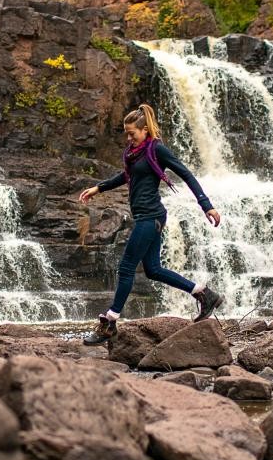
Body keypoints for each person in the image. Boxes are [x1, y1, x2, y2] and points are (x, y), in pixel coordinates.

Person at [78, 103, 223, 345]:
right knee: (153, 270)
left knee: (126, 269)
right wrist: (99, 187)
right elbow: (128, 175)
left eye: (132, 133)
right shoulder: (133, 153)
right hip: (146, 216)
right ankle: (204, 294)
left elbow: (186, 174)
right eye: (126, 133)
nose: (128, 137)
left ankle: (110, 323)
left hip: (151, 217)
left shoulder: (157, 150)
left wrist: (206, 204)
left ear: (145, 130)